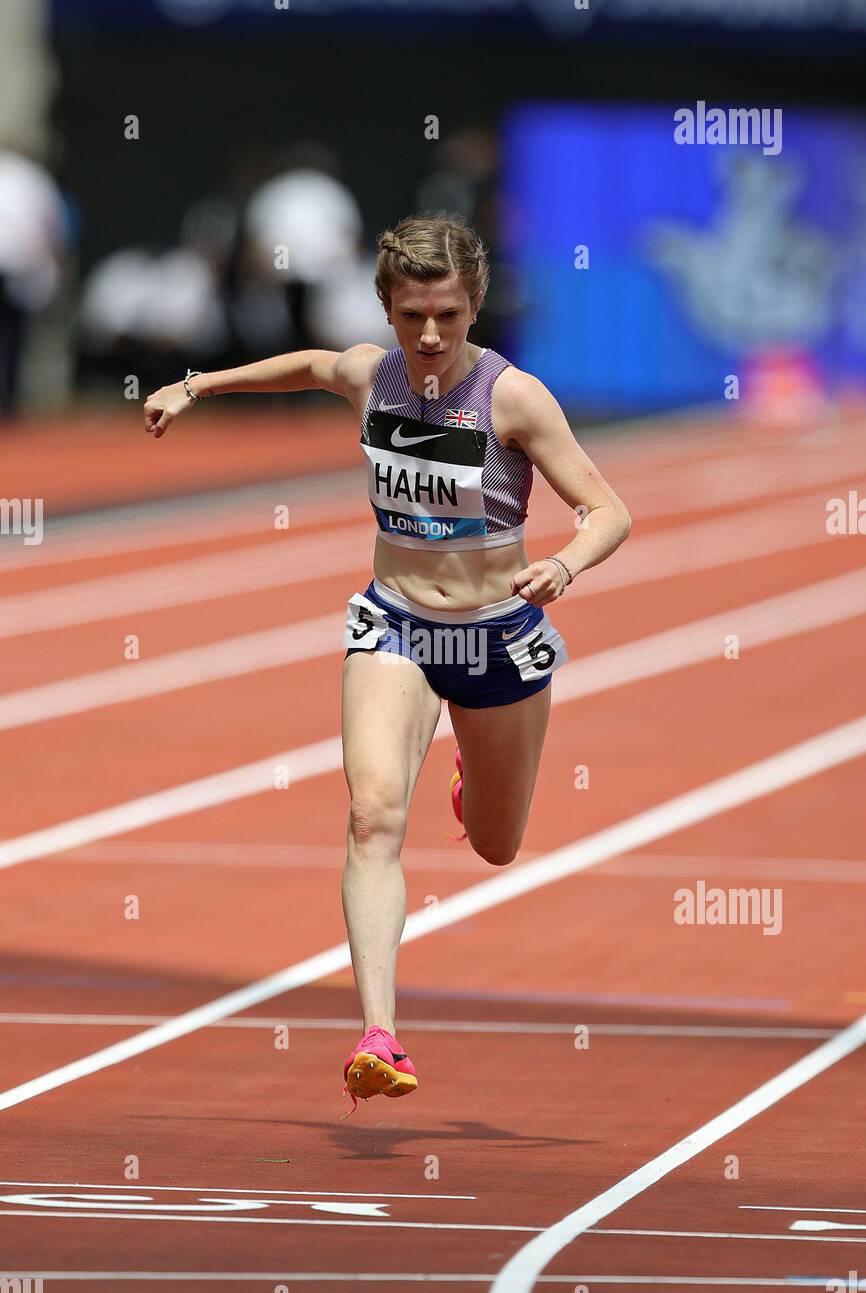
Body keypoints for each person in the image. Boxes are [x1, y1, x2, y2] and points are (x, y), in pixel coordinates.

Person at [143, 213, 631, 1116]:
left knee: (496, 842)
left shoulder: (514, 398)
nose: (431, 335)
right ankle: (378, 1034)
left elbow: (608, 511)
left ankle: (465, 777)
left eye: (446, 314)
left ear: (474, 305)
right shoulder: (377, 375)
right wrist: (194, 386)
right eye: (412, 316)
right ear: (389, 310)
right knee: (371, 815)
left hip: (496, 635)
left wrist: (564, 563)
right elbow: (306, 364)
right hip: (395, 623)